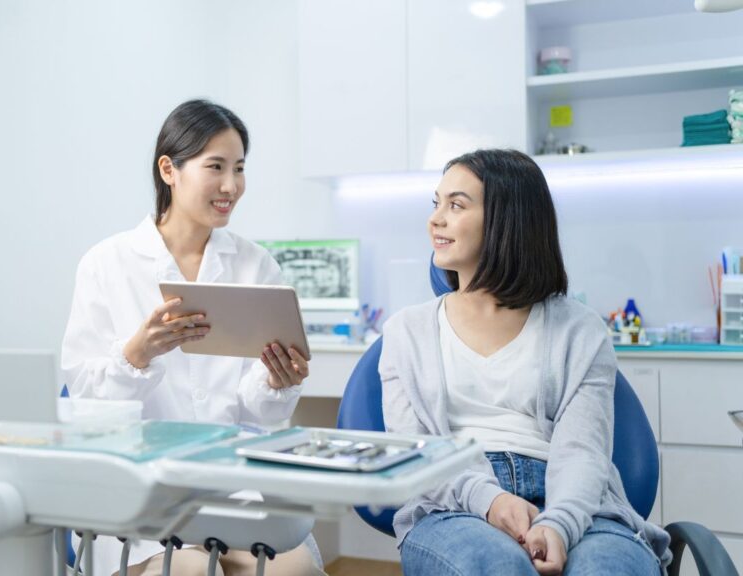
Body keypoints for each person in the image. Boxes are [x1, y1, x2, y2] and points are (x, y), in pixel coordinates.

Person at [61, 99, 324, 576]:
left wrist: (276, 380)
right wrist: (137, 355)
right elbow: (85, 402)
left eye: (239, 169)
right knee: (192, 570)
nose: (231, 186)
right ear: (169, 169)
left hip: (227, 488)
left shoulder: (255, 265)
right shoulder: (107, 264)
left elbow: (257, 417)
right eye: (216, 167)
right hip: (140, 498)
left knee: (298, 569)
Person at [378, 149, 671, 575]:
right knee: (498, 566)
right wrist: (491, 500)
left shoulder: (579, 331)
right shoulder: (407, 332)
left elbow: (582, 450)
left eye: (456, 205)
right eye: (436, 203)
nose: (435, 219)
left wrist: (560, 524)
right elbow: (419, 453)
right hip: (454, 504)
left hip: (579, 504)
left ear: (506, 221)